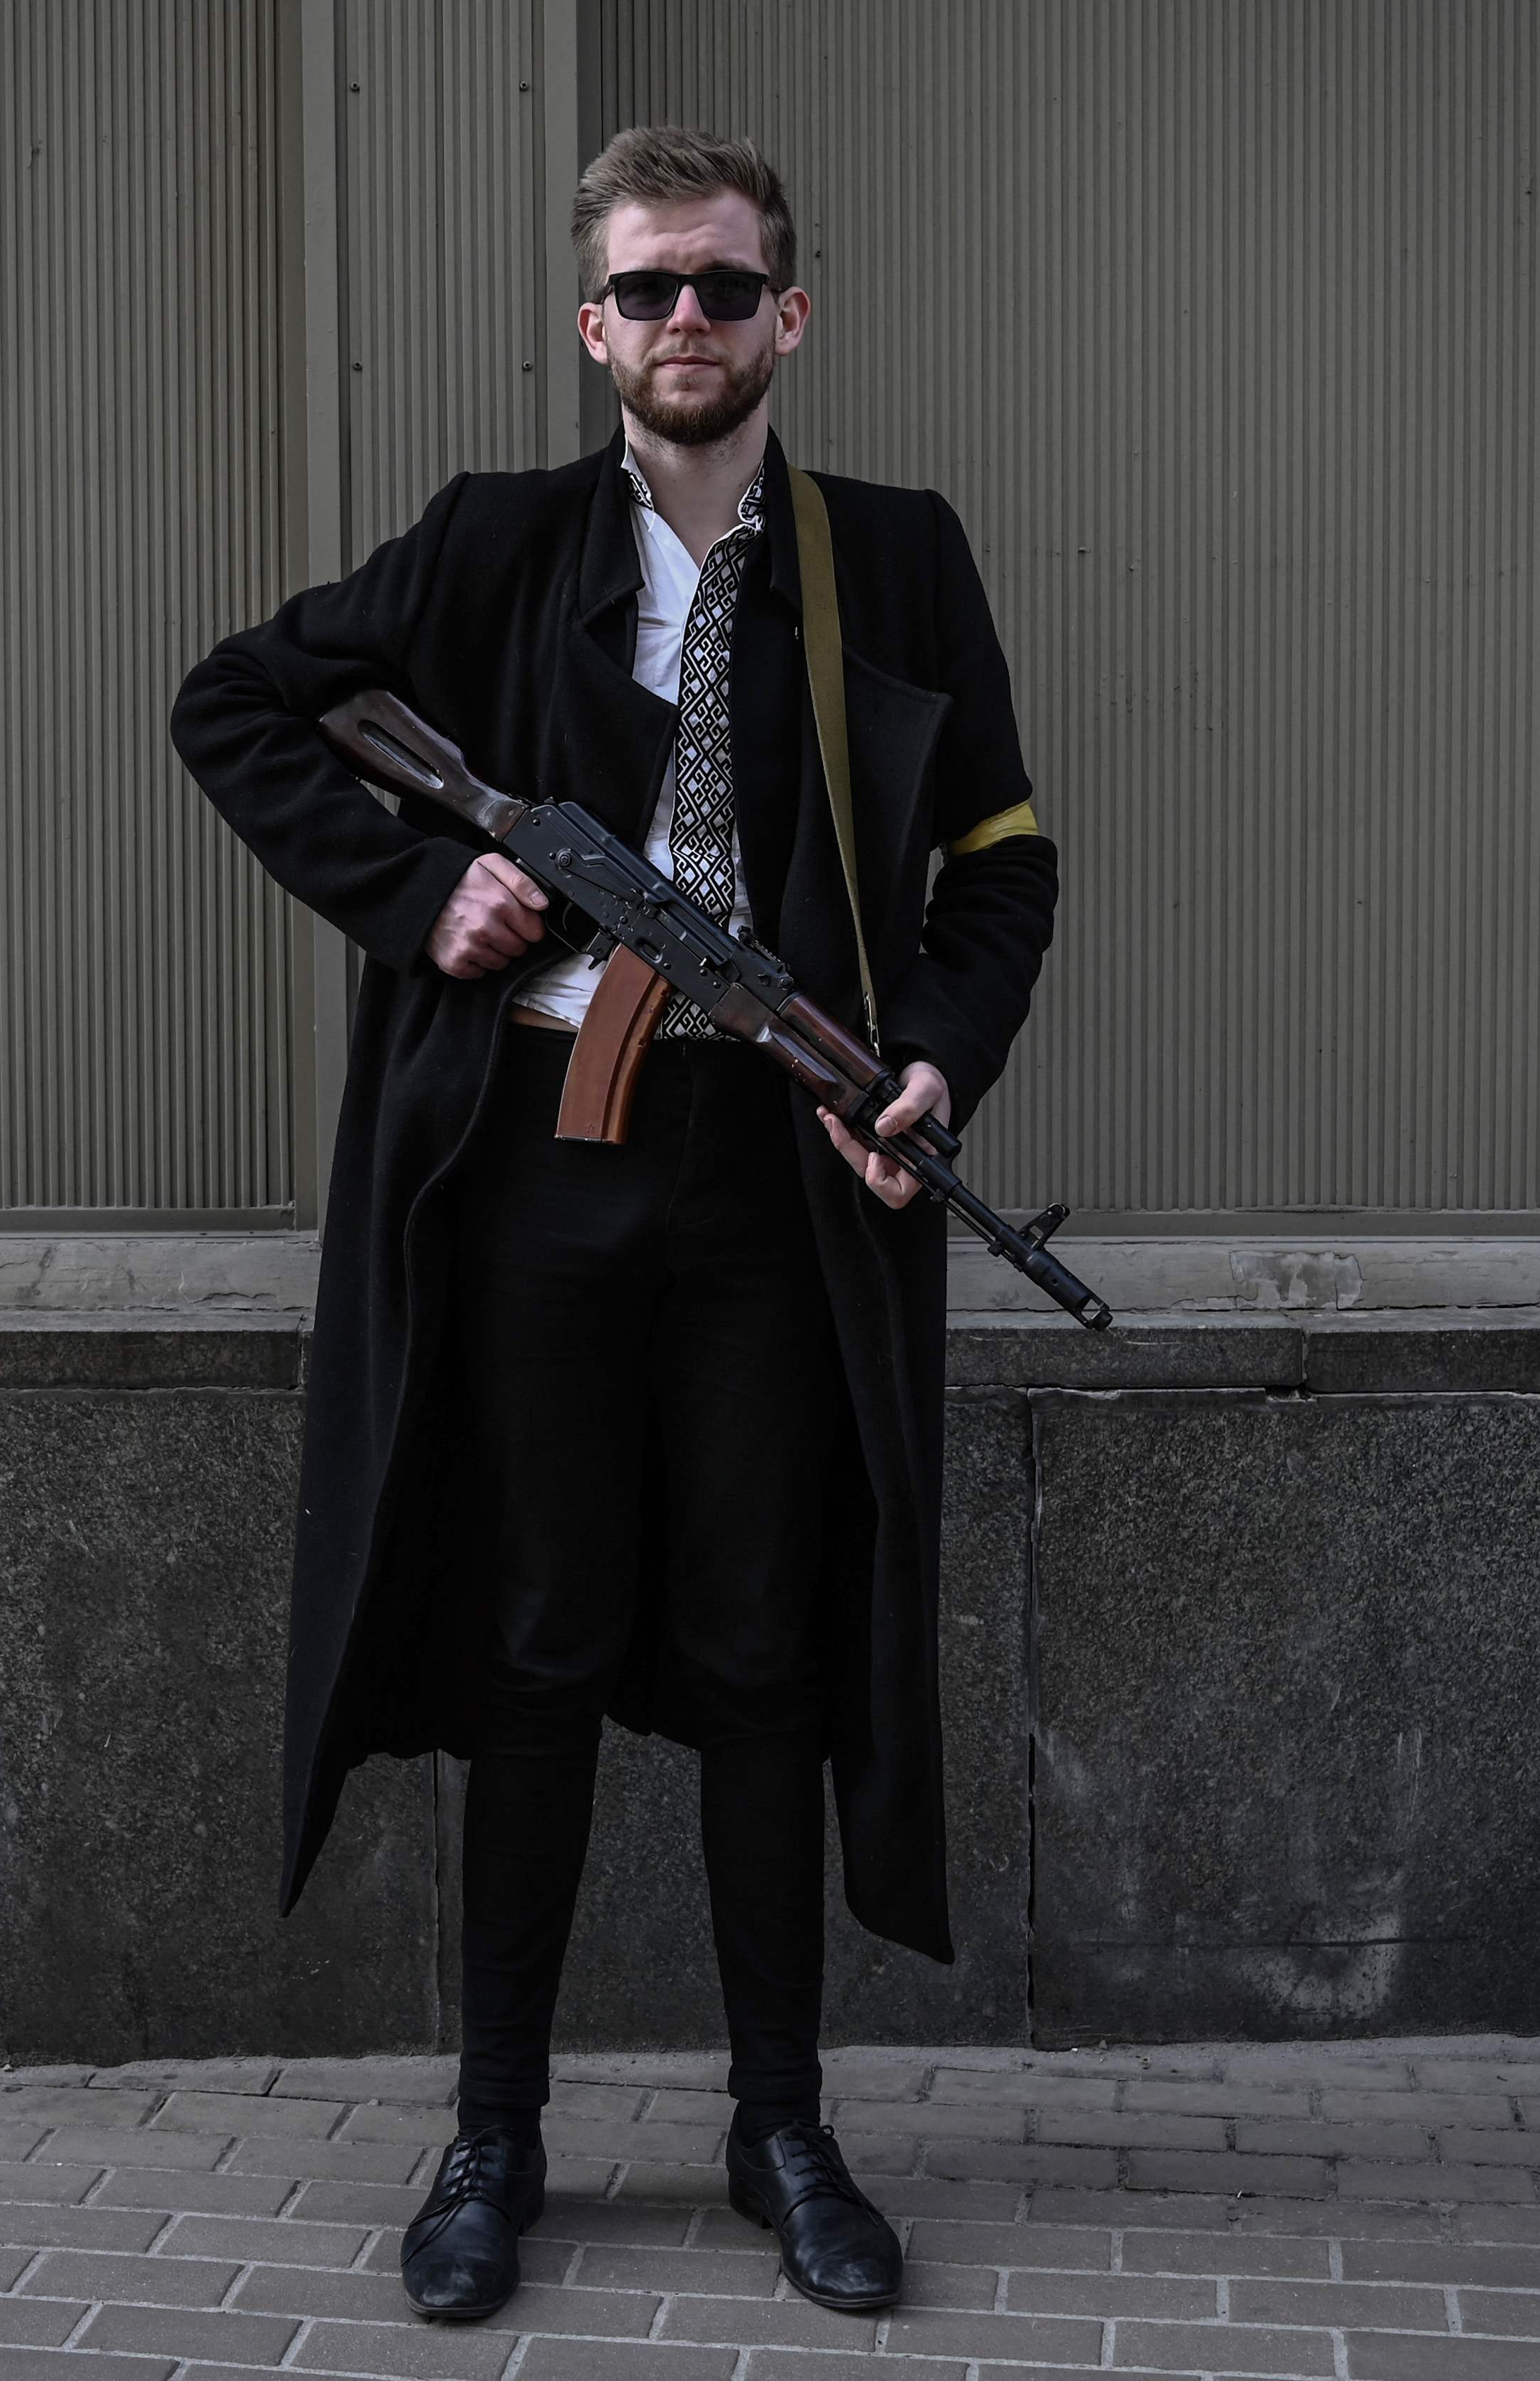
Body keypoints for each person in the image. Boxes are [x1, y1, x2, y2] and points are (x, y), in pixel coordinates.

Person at [169, 124, 1059, 2323]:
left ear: (790, 317)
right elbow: (234, 703)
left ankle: (780, 2125)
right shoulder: (486, 548)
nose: (689, 323)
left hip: (779, 1190)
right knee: (538, 1648)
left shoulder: (896, 559)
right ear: (594, 327)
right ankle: (496, 2135)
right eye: (649, 290)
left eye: (726, 289)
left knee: (764, 1650)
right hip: (540, 1187)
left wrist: (930, 1061)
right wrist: (420, 885)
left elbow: (1001, 866)